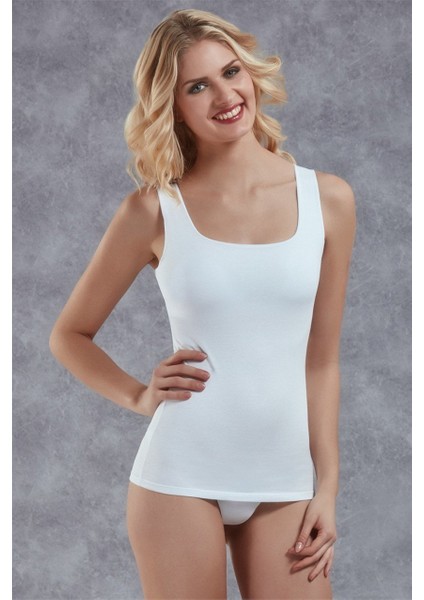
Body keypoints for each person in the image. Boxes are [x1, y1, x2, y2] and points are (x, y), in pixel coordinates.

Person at [49, 8, 356, 600]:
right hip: (180, 475)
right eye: (197, 86)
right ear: (173, 106)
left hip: (285, 478)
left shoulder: (330, 200)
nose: (225, 96)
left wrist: (327, 487)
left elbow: (321, 361)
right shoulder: (153, 210)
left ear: (251, 73)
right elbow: (69, 335)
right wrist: (139, 396)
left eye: (230, 72)